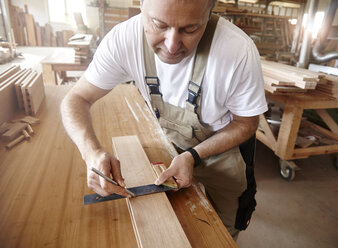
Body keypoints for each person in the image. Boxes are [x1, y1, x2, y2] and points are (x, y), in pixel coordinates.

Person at [60, 0, 267, 239]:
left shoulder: (237, 51)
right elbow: (75, 98)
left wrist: (193, 155)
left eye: (190, 29)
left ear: (209, 14)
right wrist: (91, 152)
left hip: (223, 151)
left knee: (219, 234)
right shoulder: (124, 39)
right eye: (159, 25)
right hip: (171, 146)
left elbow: (247, 123)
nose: (171, 45)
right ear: (142, 7)